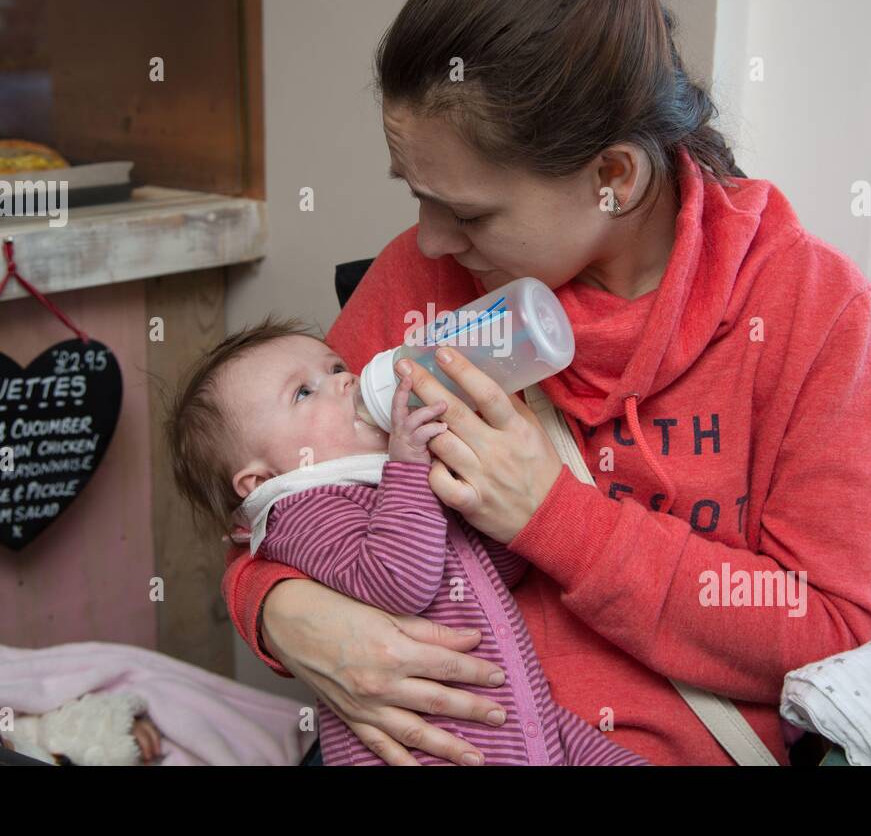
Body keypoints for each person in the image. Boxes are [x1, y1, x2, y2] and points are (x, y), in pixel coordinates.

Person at [223, 0, 871, 766]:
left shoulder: (808, 308)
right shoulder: (420, 278)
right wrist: (285, 617)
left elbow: (834, 631)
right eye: (416, 195)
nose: (427, 243)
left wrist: (556, 519)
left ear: (613, 178)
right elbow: (281, 510)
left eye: (468, 213)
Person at [167, 320, 647, 765]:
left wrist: (476, 490)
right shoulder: (300, 512)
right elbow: (400, 583)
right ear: (259, 481)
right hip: (434, 744)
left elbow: (492, 575)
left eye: (337, 367)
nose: (345, 382)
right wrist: (410, 471)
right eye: (303, 392)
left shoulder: (385, 485)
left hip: (514, 713)